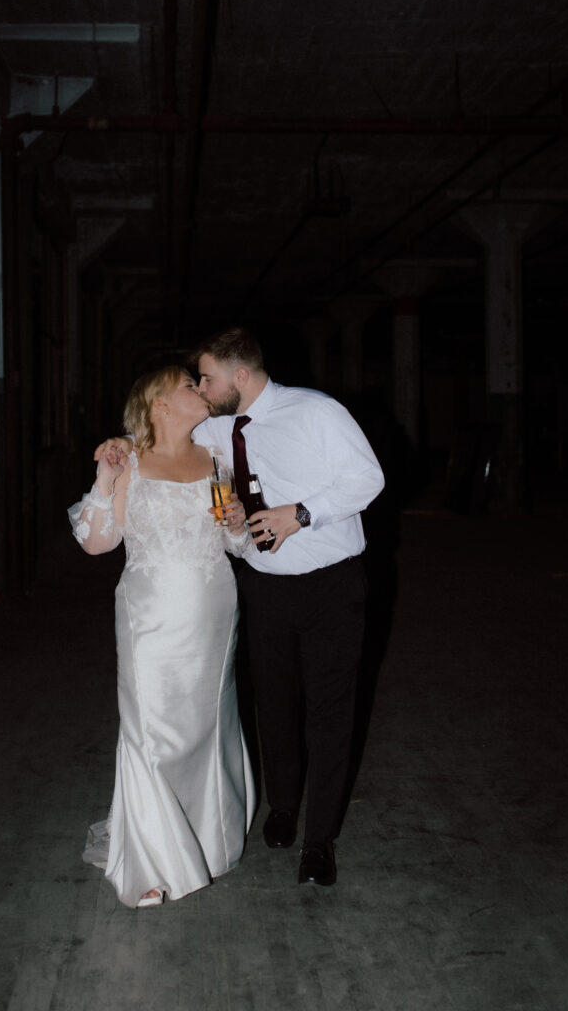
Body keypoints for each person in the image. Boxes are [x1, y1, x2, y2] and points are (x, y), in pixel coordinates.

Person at [191, 327, 385, 887]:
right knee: (273, 703)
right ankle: (282, 806)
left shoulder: (317, 413)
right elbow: (167, 432)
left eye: (207, 378)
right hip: (264, 585)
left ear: (240, 377)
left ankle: (320, 840)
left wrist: (299, 514)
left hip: (332, 586)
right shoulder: (216, 424)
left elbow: (368, 478)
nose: (202, 388)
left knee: (329, 711)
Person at [68, 366, 255, 909]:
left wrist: (240, 521)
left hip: (214, 612)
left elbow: (236, 545)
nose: (201, 391)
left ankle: (205, 840)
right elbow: (98, 544)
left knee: (205, 730)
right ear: (158, 405)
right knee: (151, 733)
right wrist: (104, 478)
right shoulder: (128, 459)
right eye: (188, 386)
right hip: (149, 617)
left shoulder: (216, 462)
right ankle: (149, 860)